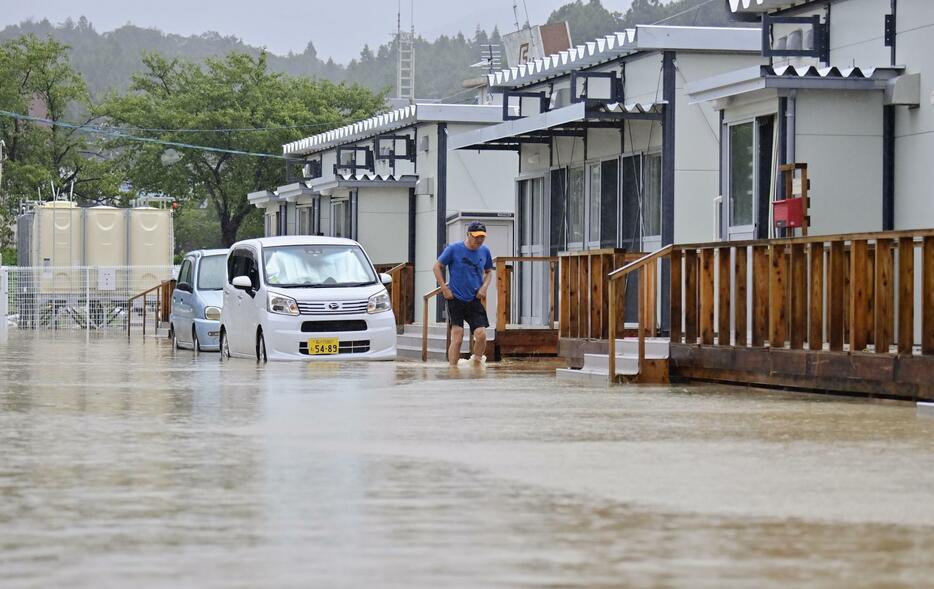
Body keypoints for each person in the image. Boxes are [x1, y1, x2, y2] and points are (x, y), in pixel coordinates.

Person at [433, 221, 493, 366]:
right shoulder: (454, 249)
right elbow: (437, 266)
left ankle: (477, 363)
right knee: (458, 337)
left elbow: (489, 271)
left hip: (474, 298)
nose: (479, 240)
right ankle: (452, 369)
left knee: (481, 335)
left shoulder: (485, 251)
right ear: (468, 234)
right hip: (455, 298)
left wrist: (484, 287)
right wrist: (444, 289)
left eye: (482, 237)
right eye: (476, 236)